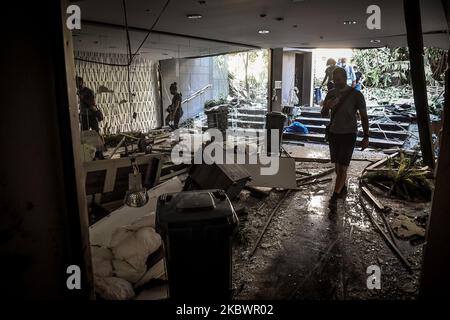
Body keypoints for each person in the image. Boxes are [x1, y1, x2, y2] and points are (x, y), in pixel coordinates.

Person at [321, 68, 369, 207]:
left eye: (338, 79)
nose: (336, 81)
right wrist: (327, 107)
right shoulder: (330, 93)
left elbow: (364, 117)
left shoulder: (356, 95)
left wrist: (366, 136)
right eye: (334, 79)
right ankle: (341, 187)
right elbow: (323, 114)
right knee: (337, 166)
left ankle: (334, 197)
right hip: (334, 133)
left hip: (349, 134)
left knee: (342, 167)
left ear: (345, 78)